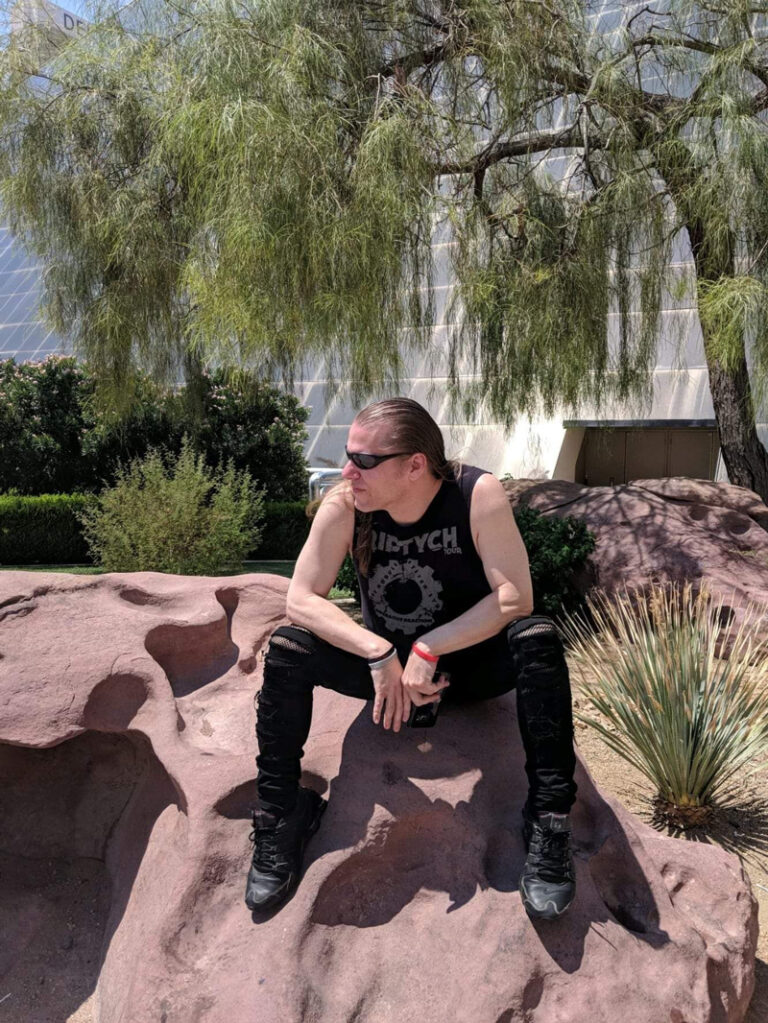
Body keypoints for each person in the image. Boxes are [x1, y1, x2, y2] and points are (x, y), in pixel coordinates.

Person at [245, 398, 577, 920]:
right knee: (289, 648)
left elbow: (515, 597)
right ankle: (281, 814)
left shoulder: (475, 494)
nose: (347, 471)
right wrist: (378, 652)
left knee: (536, 638)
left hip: (466, 669)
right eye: (346, 455)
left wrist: (430, 646)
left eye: (364, 461)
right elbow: (301, 598)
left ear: (414, 465)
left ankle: (549, 820)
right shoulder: (347, 503)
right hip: (387, 681)